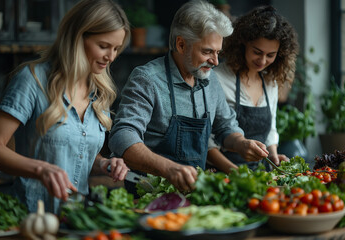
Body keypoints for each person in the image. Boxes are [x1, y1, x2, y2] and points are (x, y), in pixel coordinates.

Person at [108, 0, 269, 195]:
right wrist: (168, 169)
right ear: (181, 44)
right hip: (150, 196)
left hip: (195, 194)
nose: (215, 61)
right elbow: (122, 137)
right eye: (207, 51)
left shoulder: (211, 81)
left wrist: (241, 143)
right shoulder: (147, 80)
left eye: (217, 52)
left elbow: (226, 126)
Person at [0, 0, 130, 214]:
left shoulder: (100, 92)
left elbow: (75, 153)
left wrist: (103, 164)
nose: (111, 57)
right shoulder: (33, 80)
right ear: (77, 38)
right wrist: (41, 169)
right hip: (31, 218)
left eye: (116, 48)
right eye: (103, 46)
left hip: (73, 220)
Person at [208, 5, 299, 171]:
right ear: (243, 43)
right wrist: (235, 173)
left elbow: (271, 130)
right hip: (222, 173)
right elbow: (206, 142)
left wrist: (272, 156)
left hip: (259, 173)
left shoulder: (270, 81)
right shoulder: (217, 78)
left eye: (270, 55)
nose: (263, 61)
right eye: (257, 52)